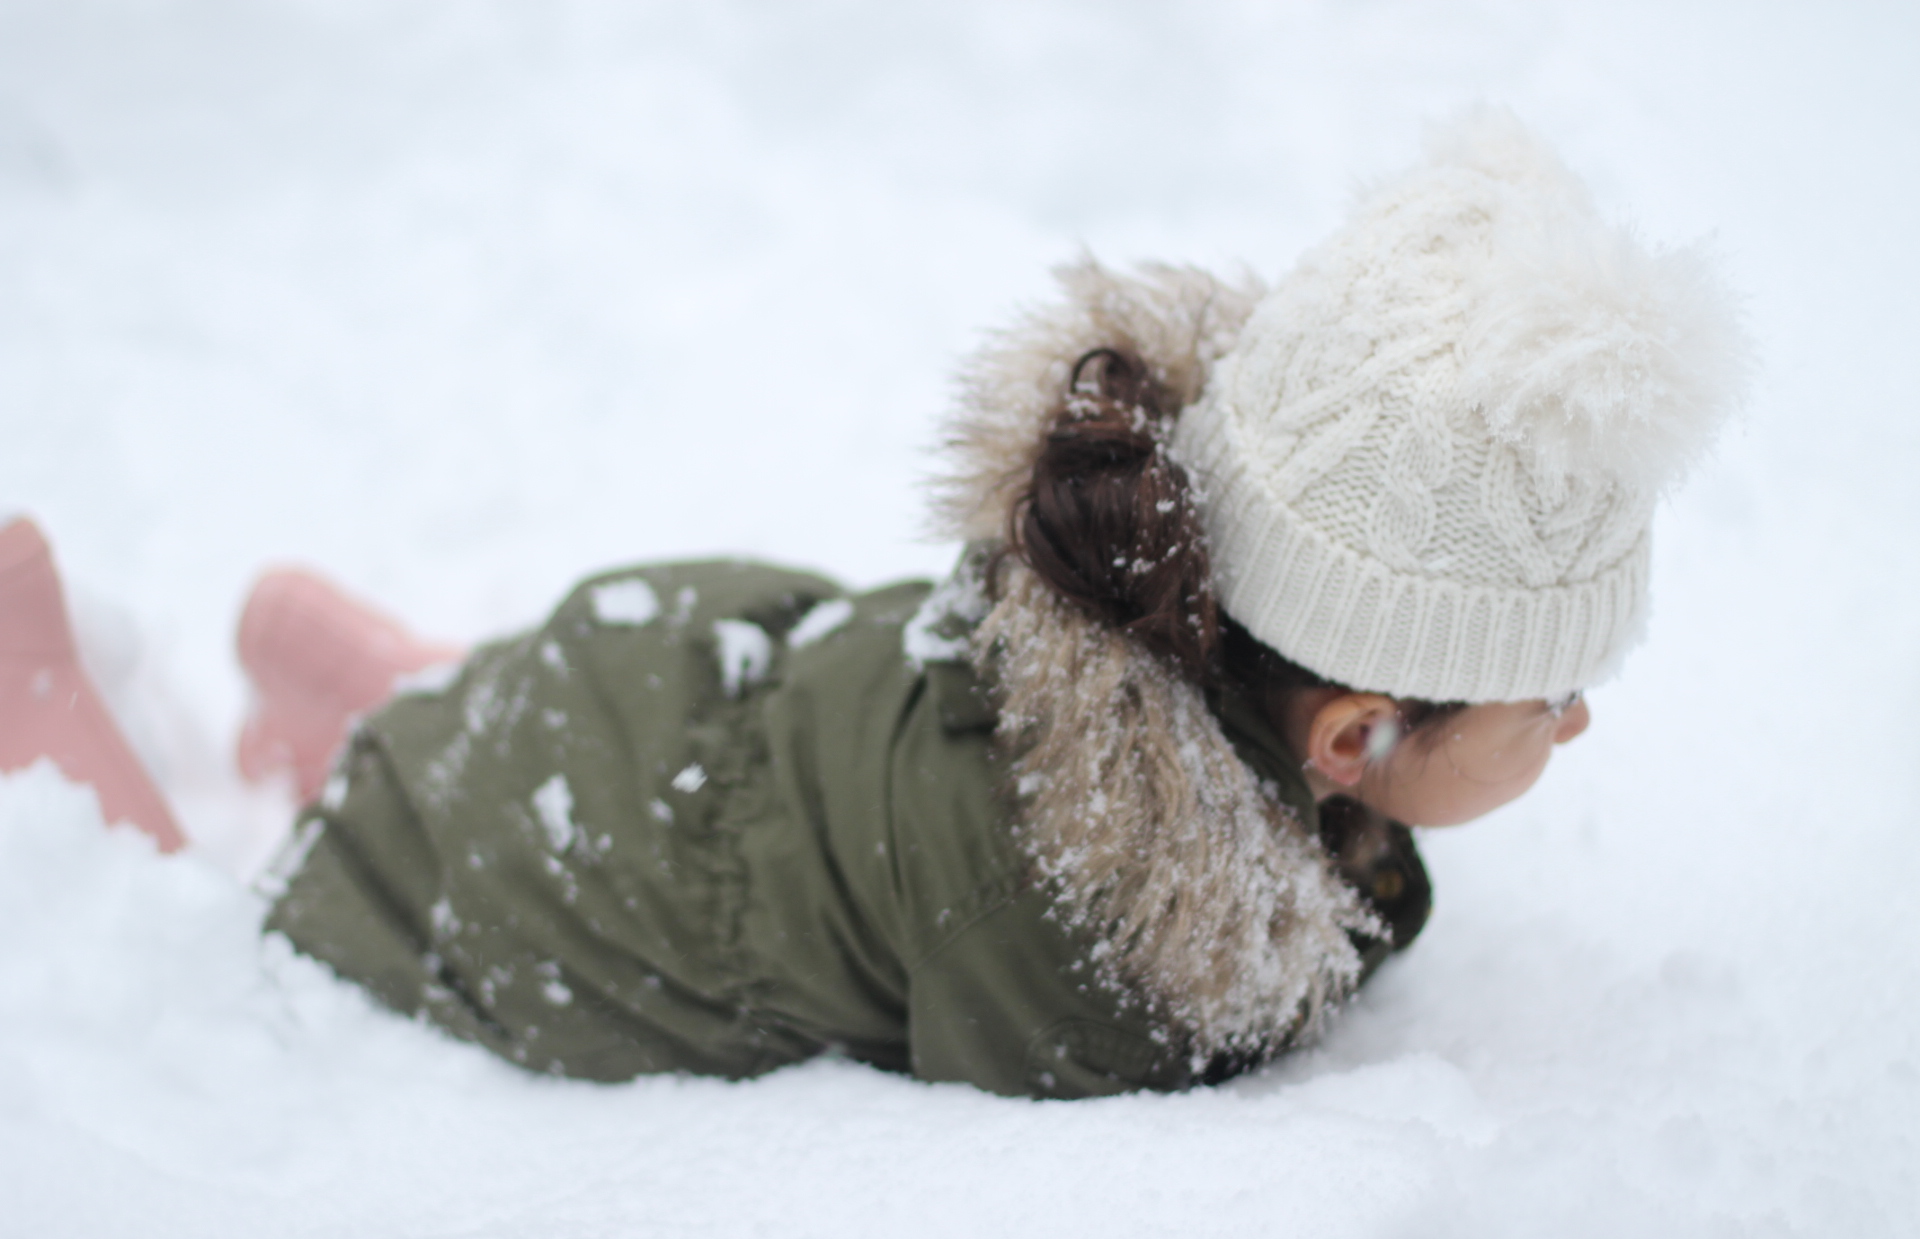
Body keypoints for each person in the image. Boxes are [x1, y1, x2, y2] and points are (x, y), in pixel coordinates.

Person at [0, 108, 1748, 1098]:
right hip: (567, 887)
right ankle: (78, 742)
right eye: (1550, 696)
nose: (1576, 721)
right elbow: (1120, 1052)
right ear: (1359, 732)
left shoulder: (1133, 581)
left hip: (668, 680)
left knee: (583, 723)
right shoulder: (1088, 935)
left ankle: (373, 684)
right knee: (305, 905)